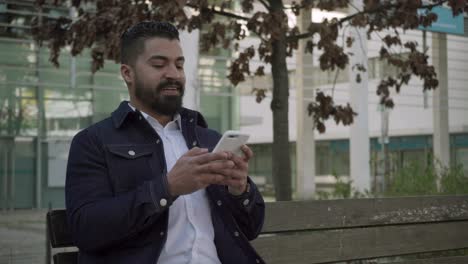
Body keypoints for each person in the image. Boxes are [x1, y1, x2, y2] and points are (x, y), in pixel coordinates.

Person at [65, 21, 265, 264]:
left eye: (179, 64)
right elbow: (85, 230)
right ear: (127, 73)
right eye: (159, 64)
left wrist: (240, 190)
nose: (173, 73)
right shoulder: (94, 142)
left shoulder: (208, 139)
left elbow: (251, 229)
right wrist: (167, 188)